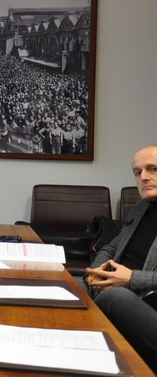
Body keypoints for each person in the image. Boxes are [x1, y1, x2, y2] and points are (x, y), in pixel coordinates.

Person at [86, 145, 157, 372]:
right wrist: (98, 272)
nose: (144, 177)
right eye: (138, 172)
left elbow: (127, 283)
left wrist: (131, 279)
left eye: (153, 169)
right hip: (114, 289)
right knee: (65, 286)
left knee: (115, 297)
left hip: (145, 303)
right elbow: (111, 247)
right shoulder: (140, 208)